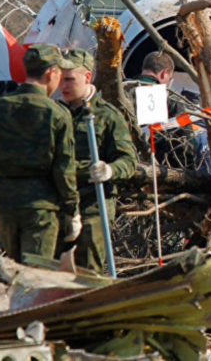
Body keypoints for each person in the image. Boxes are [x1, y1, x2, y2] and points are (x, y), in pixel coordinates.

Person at [0, 44, 80, 263]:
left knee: (14, 269)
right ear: (51, 73)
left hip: (4, 203)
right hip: (41, 207)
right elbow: (64, 168)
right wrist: (72, 210)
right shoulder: (56, 113)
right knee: (35, 276)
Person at [57, 48, 137, 272]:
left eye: (70, 80)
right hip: (60, 202)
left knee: (88, 267)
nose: (63, 86)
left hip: (93, 203)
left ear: (87, 77)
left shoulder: (107, 115)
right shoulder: (56, 114)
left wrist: (109, 170)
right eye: (60, 80)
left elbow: (128, 160)